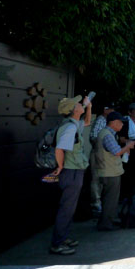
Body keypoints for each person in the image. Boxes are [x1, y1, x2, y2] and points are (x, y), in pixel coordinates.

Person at [49, 94, 92, 255]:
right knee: (66, 208)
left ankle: (63, 237)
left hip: (73, 170)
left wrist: (89, 106)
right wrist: (60, 166)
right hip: (71, 171)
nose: (81, 104)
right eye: (78, 104)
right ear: (74, 110)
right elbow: (59, 149)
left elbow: (87, 122)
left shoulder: (73, 124)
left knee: (69, 207)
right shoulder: (70, 128)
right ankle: (57, 243)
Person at [93, 111, 135, 231]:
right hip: (109, 171)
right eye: (121, 122)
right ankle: (106, 223)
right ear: (114, 122)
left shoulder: (106, 133)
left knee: (109, 198)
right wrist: (128, 146)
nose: (122, 125)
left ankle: (107, 220)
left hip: (107, 170)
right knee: (110, 199)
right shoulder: (107, 135)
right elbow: (116, 152)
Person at [88, 102, 115, 215]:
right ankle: (95, 204)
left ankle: (99, 202)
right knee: (96, 179)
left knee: (102, 178)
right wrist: (103, 144)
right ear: (105, 110)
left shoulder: (107, 121)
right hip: (97, 152)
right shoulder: (100, 120)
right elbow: (93, 137)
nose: (113, 111)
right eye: (111, 109)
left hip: (104, 153)